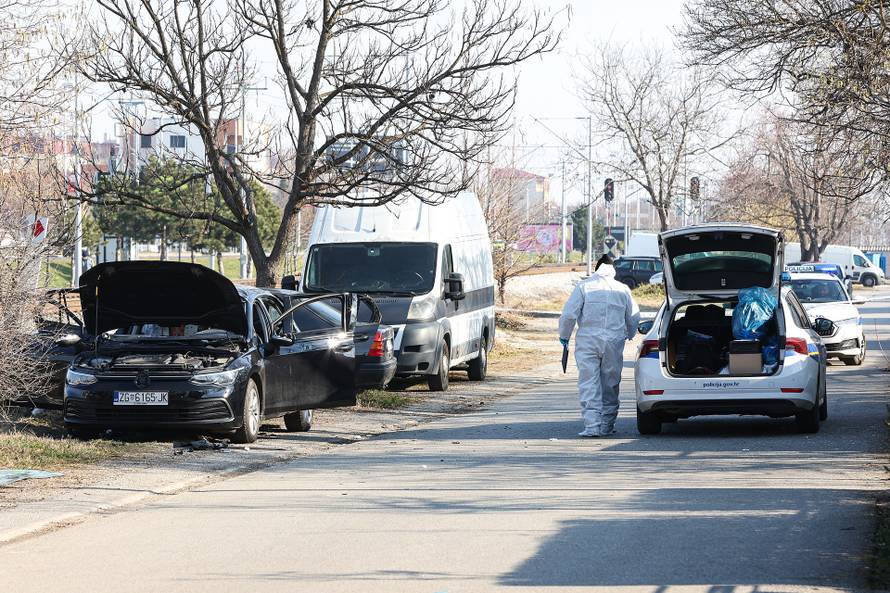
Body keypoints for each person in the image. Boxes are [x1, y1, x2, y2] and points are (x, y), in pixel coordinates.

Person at [559, 254, 640, 437]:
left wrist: (564, 336)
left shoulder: (584, 287)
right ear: (613, 270)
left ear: (597, 268)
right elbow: (634, 317)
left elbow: (569, 315)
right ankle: (607, 425)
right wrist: (630, 333)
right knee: (610, 383)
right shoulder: (622, 289)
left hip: (588, 341)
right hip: (614, 341)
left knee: (589, 383)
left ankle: (592, 426)